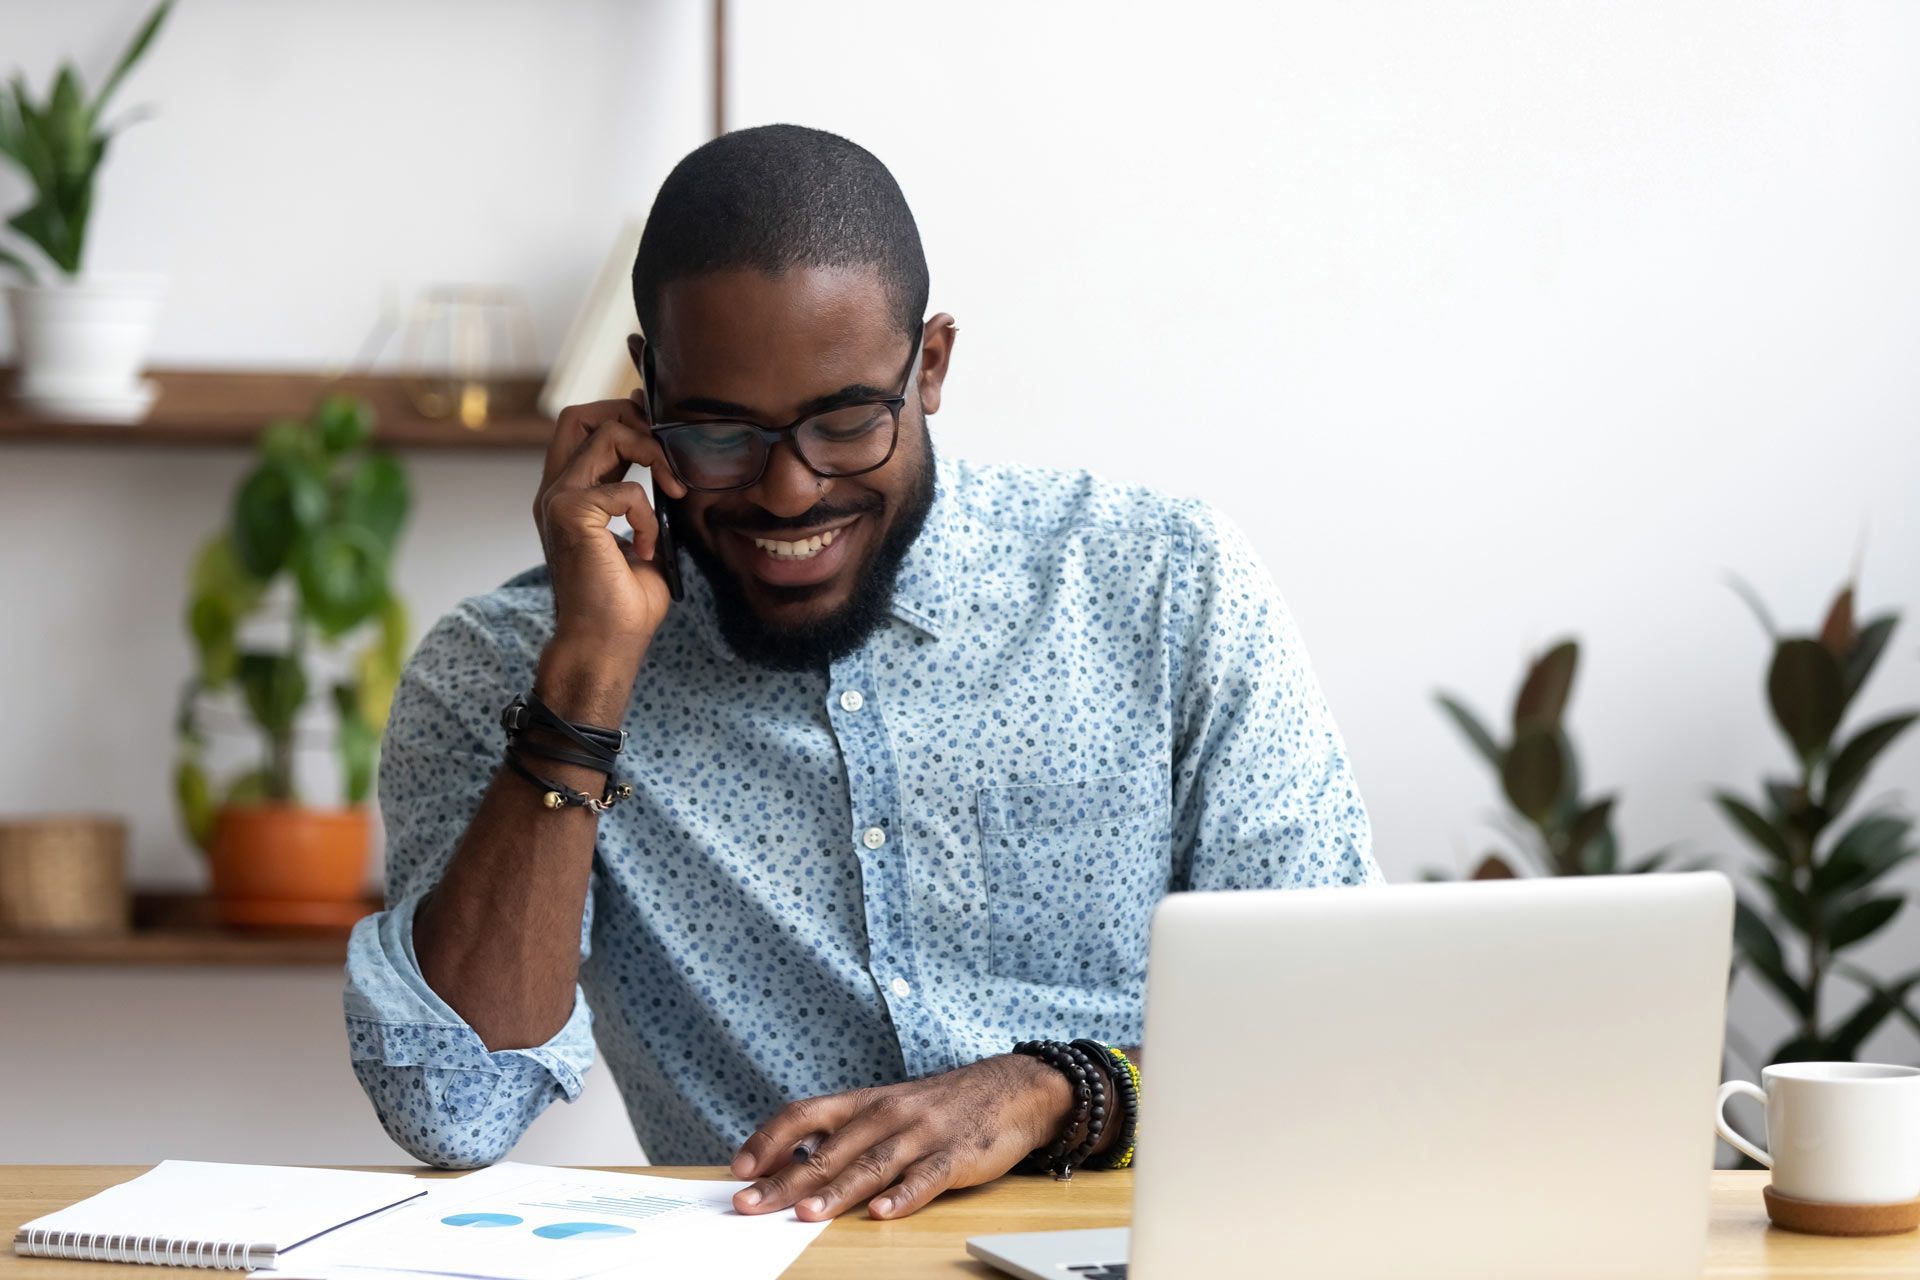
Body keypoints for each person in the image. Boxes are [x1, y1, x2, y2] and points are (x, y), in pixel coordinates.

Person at [344, 123, 1378, 1223]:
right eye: (721, 432)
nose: (789, 491)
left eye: (844, 423)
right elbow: (452, 1105)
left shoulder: (1164, 588)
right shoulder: (507, 667)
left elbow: (1341, 1028)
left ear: (929, 365)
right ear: (644, 394)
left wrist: (1049, 1091)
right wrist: (587, 681)